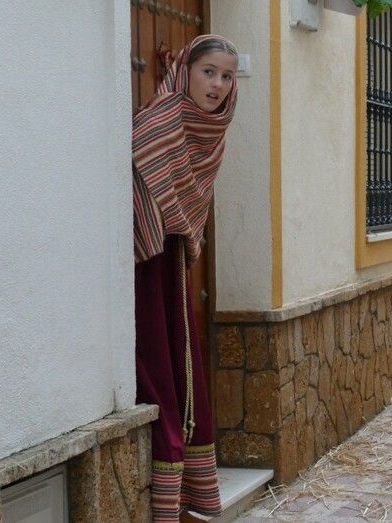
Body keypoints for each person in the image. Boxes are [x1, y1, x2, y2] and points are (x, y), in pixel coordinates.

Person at [132, 35, 239, 522]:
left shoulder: (212, 131)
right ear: (186, 72)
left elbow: (189, 198)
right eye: (207, 72)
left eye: (226, 76)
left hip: (173, 255)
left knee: (180, 361)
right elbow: (142, 163)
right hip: (148, 255)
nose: (216, 85)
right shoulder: (164, 117)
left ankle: (188, 496)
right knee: (158, 354)